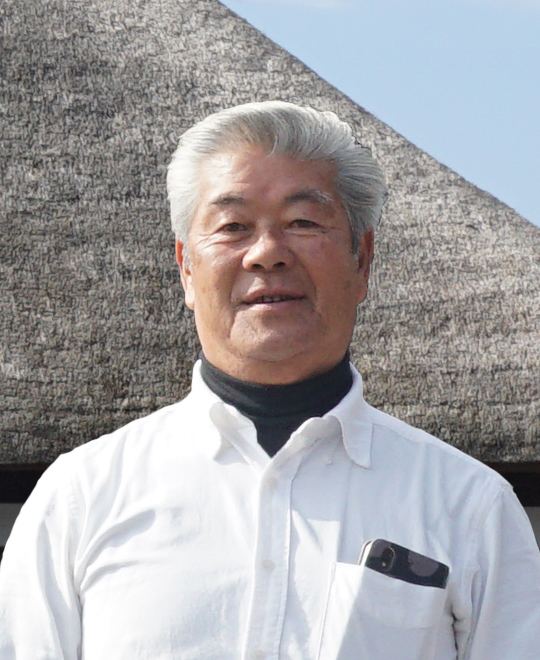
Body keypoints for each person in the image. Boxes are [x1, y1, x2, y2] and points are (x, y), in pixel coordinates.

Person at [1, 101, 539, 659]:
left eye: (303, 222)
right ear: (186, 267)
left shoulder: (469, 506)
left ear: (362, 259)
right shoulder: (81, 497)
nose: (266, 254)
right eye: (233, 227)